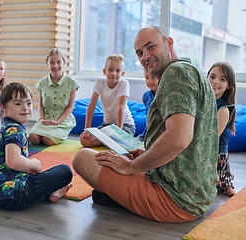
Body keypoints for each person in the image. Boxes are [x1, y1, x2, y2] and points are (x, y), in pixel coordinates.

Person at [72, 26, 219, 222]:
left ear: (169, 44)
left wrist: (130, 167)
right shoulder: (191, 70)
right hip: (199, 193)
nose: (145, 56)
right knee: (113, 158)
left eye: (150, 47)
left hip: (177, 199)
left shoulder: (175, 74)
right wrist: (146, 154)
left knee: (83, 158)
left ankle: (120, 197)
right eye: (140, 53)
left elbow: (178, 139)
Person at [0, 82, 73, 211]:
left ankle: (52, 193)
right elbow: (13, 162)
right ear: (3, 107)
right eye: (18, 104)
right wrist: (32, 164)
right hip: (14, 197)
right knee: (65, 171)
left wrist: (24, 169)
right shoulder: (15, 129)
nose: (25, 107)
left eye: (28, 103)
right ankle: (52, 192)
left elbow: (6, 165)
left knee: (34, 177)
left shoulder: (5, 127)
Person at [80, 54, 135, 147]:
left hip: (125, 125)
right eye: (110, 70)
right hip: (107, 125)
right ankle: (111, 142)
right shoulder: (100, 82)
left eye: (117, 71)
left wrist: (119, 131)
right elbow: (92, 105)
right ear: (104, 71)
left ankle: (112, 141)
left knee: (119, 140)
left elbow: (120, 107)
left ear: (122, 74)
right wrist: (87, 129)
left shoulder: (124, 84)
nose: (114, 73)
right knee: (84, 140)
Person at [29, 48, 80, 145]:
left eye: (58, 62)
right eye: (52, 62)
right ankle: (44, 133)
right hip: (46, 119)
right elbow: (40, 106)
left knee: (47, 140)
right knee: (33, 138)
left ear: (64, 62)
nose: (55, 65)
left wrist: (58, 122)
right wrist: (42, 119)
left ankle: (56, 134)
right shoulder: (42, 83)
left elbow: (70, 107)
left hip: (62, 120)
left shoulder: (71, 83)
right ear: (47, 64)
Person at [207, 62, 237, 196]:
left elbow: (213, 138)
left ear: (229, 85)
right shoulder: (205, 101)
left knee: (218, 185)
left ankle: (225, 182)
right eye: (212, 77)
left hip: (215, 153)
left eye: (222, 79)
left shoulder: (224, 109)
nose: (215, 81)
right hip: (203, 148)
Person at [136, 69, 159, 142]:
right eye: (147, 78)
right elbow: (148, 118)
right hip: (146, 134)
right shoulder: (146, 96)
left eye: (153, 77)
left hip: (157, 135)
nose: (149, 81)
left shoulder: (164, 96)